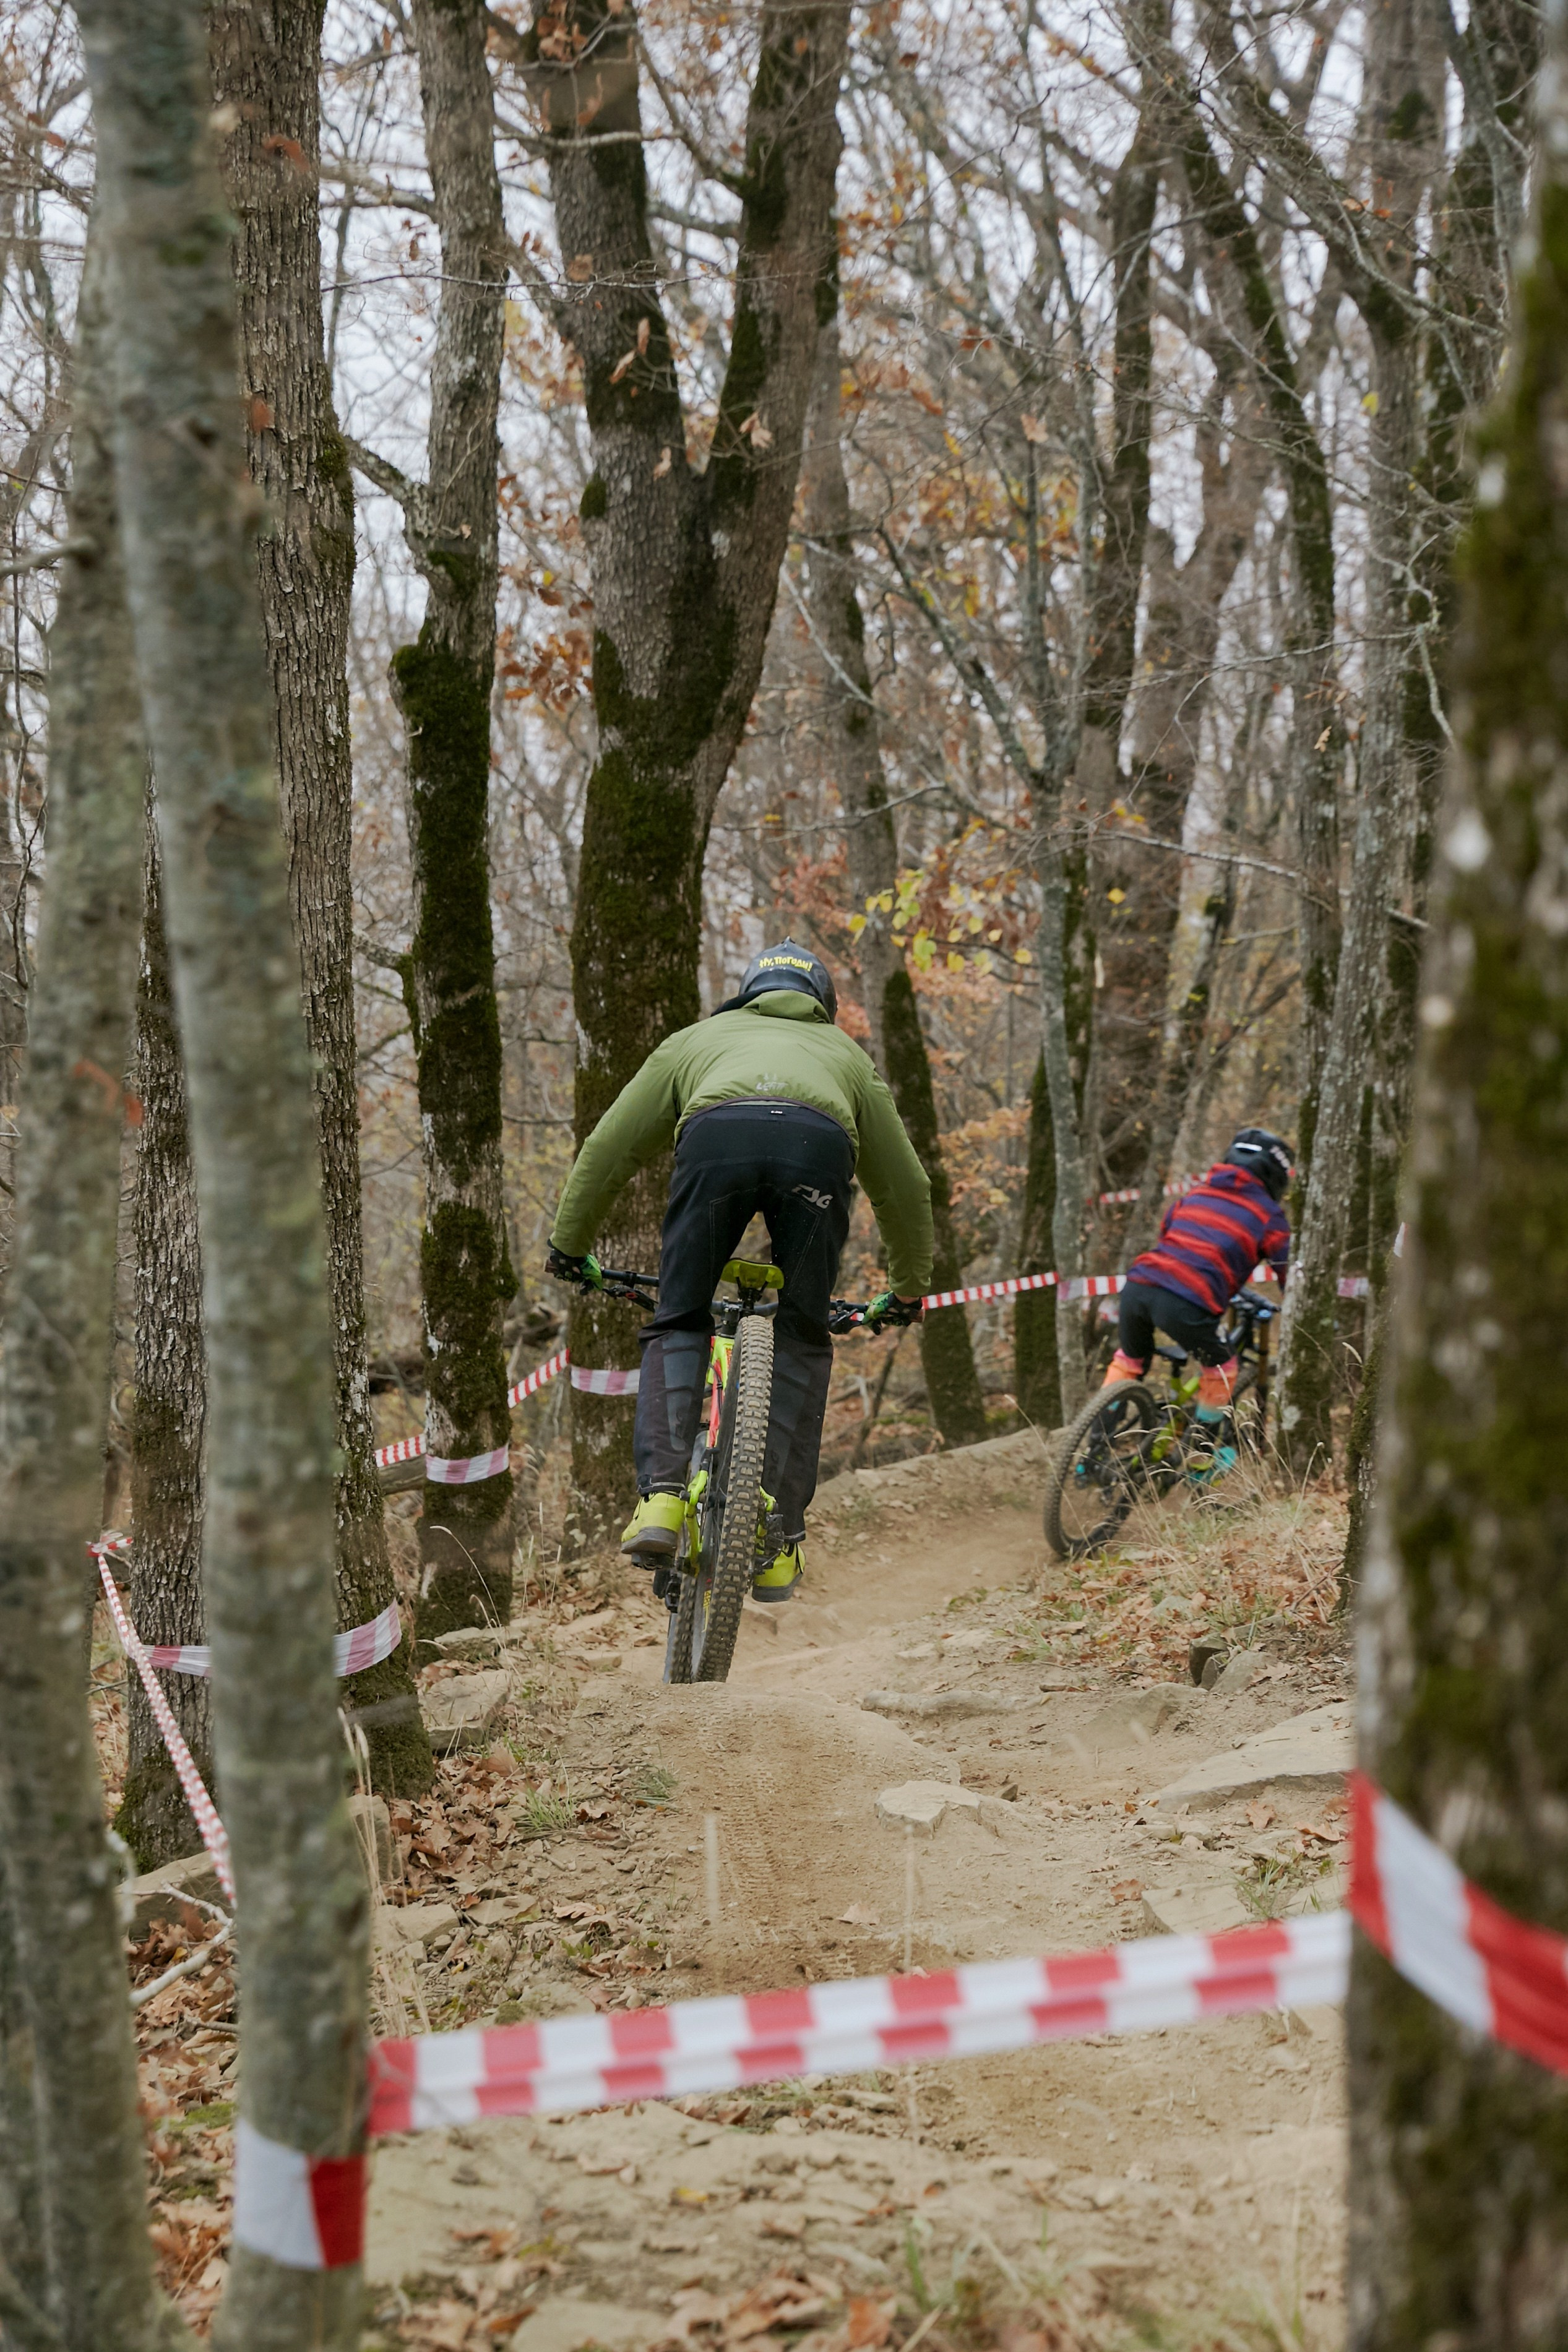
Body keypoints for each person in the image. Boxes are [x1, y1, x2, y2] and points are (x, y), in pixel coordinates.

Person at [546, 941, 933, 1602]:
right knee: (804, 1337)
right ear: (822, 1006)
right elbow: (903, 1186)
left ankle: (663, 1500)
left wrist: (569, 1242)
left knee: (679, 1316)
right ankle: (775, 1532)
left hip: (715, 1144)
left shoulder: (697, 1039)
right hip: (817, 1150)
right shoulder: (846, 1056)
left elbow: (609, 1146)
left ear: (750, 992)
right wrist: (906, 1288)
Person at [1101, 1128, 1293, 1438]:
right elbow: (1289, 1273)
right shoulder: (1269, 1216)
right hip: (1188, 1301)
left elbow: (1170, 1239)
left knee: (1130, 1360)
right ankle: (1199, 1457)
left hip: (1139, 1286)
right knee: (1223, 1371)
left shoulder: (1194, 1195)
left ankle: (1092, 1449)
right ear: (1277, 1176)